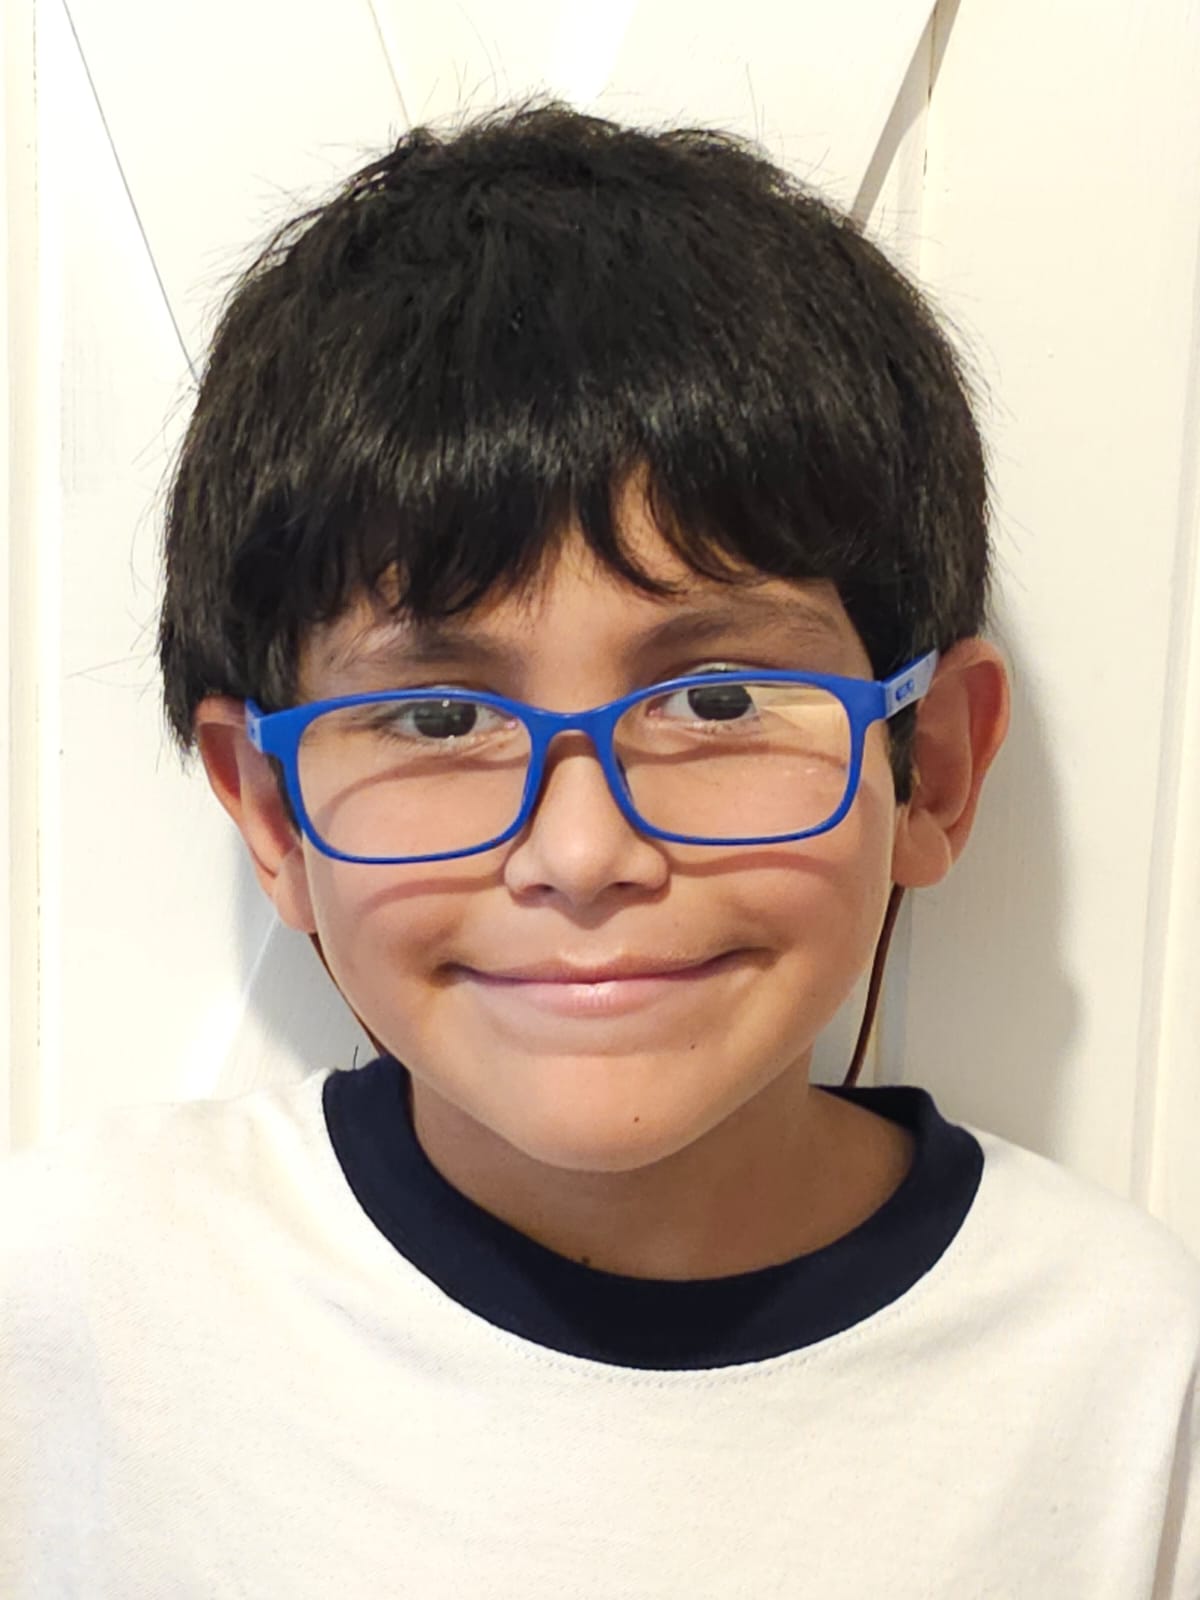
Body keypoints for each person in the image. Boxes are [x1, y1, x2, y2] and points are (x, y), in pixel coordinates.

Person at [3, 97, 1197, 1597]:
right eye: (439, 718)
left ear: (934, 769)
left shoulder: (1136, 1381)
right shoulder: (68, 1305)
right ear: (270, 812)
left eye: (716, 700)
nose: (582, 853)